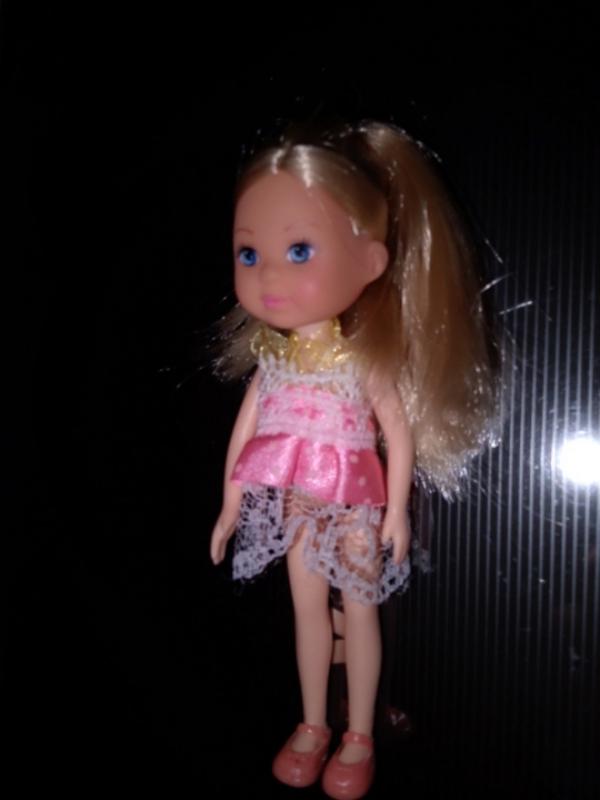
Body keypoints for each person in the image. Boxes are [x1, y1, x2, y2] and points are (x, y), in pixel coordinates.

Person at [209, 119, 501, 799]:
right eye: (249, 253)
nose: (270, 274)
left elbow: (396, 429)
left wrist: (396, 511)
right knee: (308, 611)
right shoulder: (273, 359)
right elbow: (246, 433)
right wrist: (229, 505)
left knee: (361, 612)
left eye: (299, 250)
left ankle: (360, 734)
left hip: (356, 502)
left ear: (370, 262)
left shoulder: (361, 357)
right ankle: (313, 724)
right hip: (297, 501)